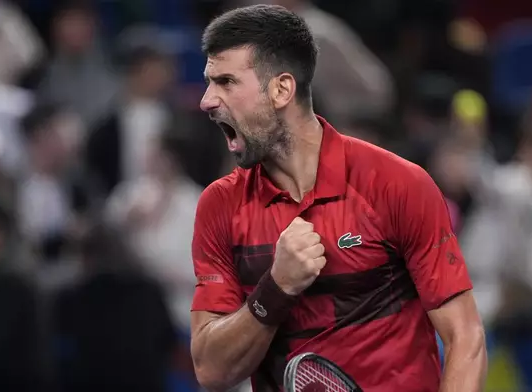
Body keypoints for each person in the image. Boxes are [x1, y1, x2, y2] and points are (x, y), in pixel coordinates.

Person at [190, 5, 487, 392]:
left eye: (226, 82)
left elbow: (465, 337)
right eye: (210, 82)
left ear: (281, 89)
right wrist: (275, 289)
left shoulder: (396, 184)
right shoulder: (219, 206)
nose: (207, 101)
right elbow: (212, 369)